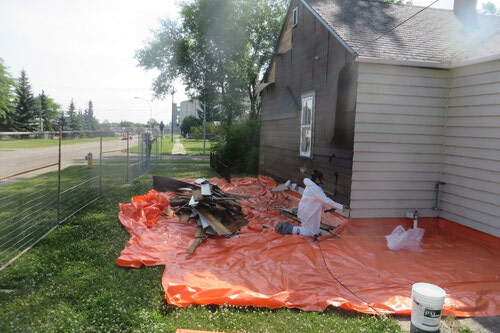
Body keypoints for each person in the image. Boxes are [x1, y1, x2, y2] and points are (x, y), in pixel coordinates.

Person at [275, 170, 343, 237]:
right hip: (308, 212)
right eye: (321, 179)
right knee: (309, 233)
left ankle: (287, 228)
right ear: (317, 179)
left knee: (313, 231)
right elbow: (325, 200)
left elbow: (320, 200)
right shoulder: (314, 188)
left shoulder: (313, 187)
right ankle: (286, 228)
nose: (322, 181)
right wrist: (341, 207)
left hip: (309, 211)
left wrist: (329, 208)